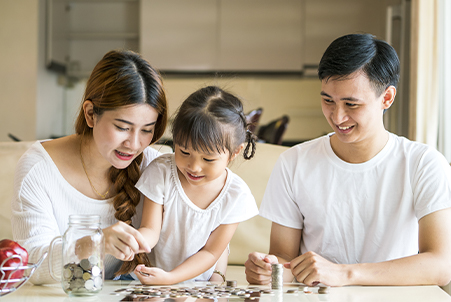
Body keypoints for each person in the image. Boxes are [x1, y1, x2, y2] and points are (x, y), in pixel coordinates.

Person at [245, 33, 451, 287]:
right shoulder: (293, 162)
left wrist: (344, 274)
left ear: (386, 98)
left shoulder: (423, 163)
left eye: (351, 104)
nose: (337, 117)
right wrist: (269, 269)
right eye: (328, 100)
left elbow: (442, 264)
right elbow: (285, 258)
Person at [10, 50, 168, 284]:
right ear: (91, 113)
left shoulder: (154, 166)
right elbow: (32, 267)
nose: (134, 144)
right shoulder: (39, 169)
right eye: (123, 127)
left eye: (146, 129)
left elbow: (203, 222)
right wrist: (95, 242)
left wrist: (218, 273)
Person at [121, 86, 259, 284]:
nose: (194, 167)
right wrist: (134, 242)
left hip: (196, 283)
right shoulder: (161, 171)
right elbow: (150, 229)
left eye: (208, 159)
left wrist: (171, 278)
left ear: (235, 152)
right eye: (184, 152)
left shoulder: (236, 195)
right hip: (150, 277)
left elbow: (211, 253)